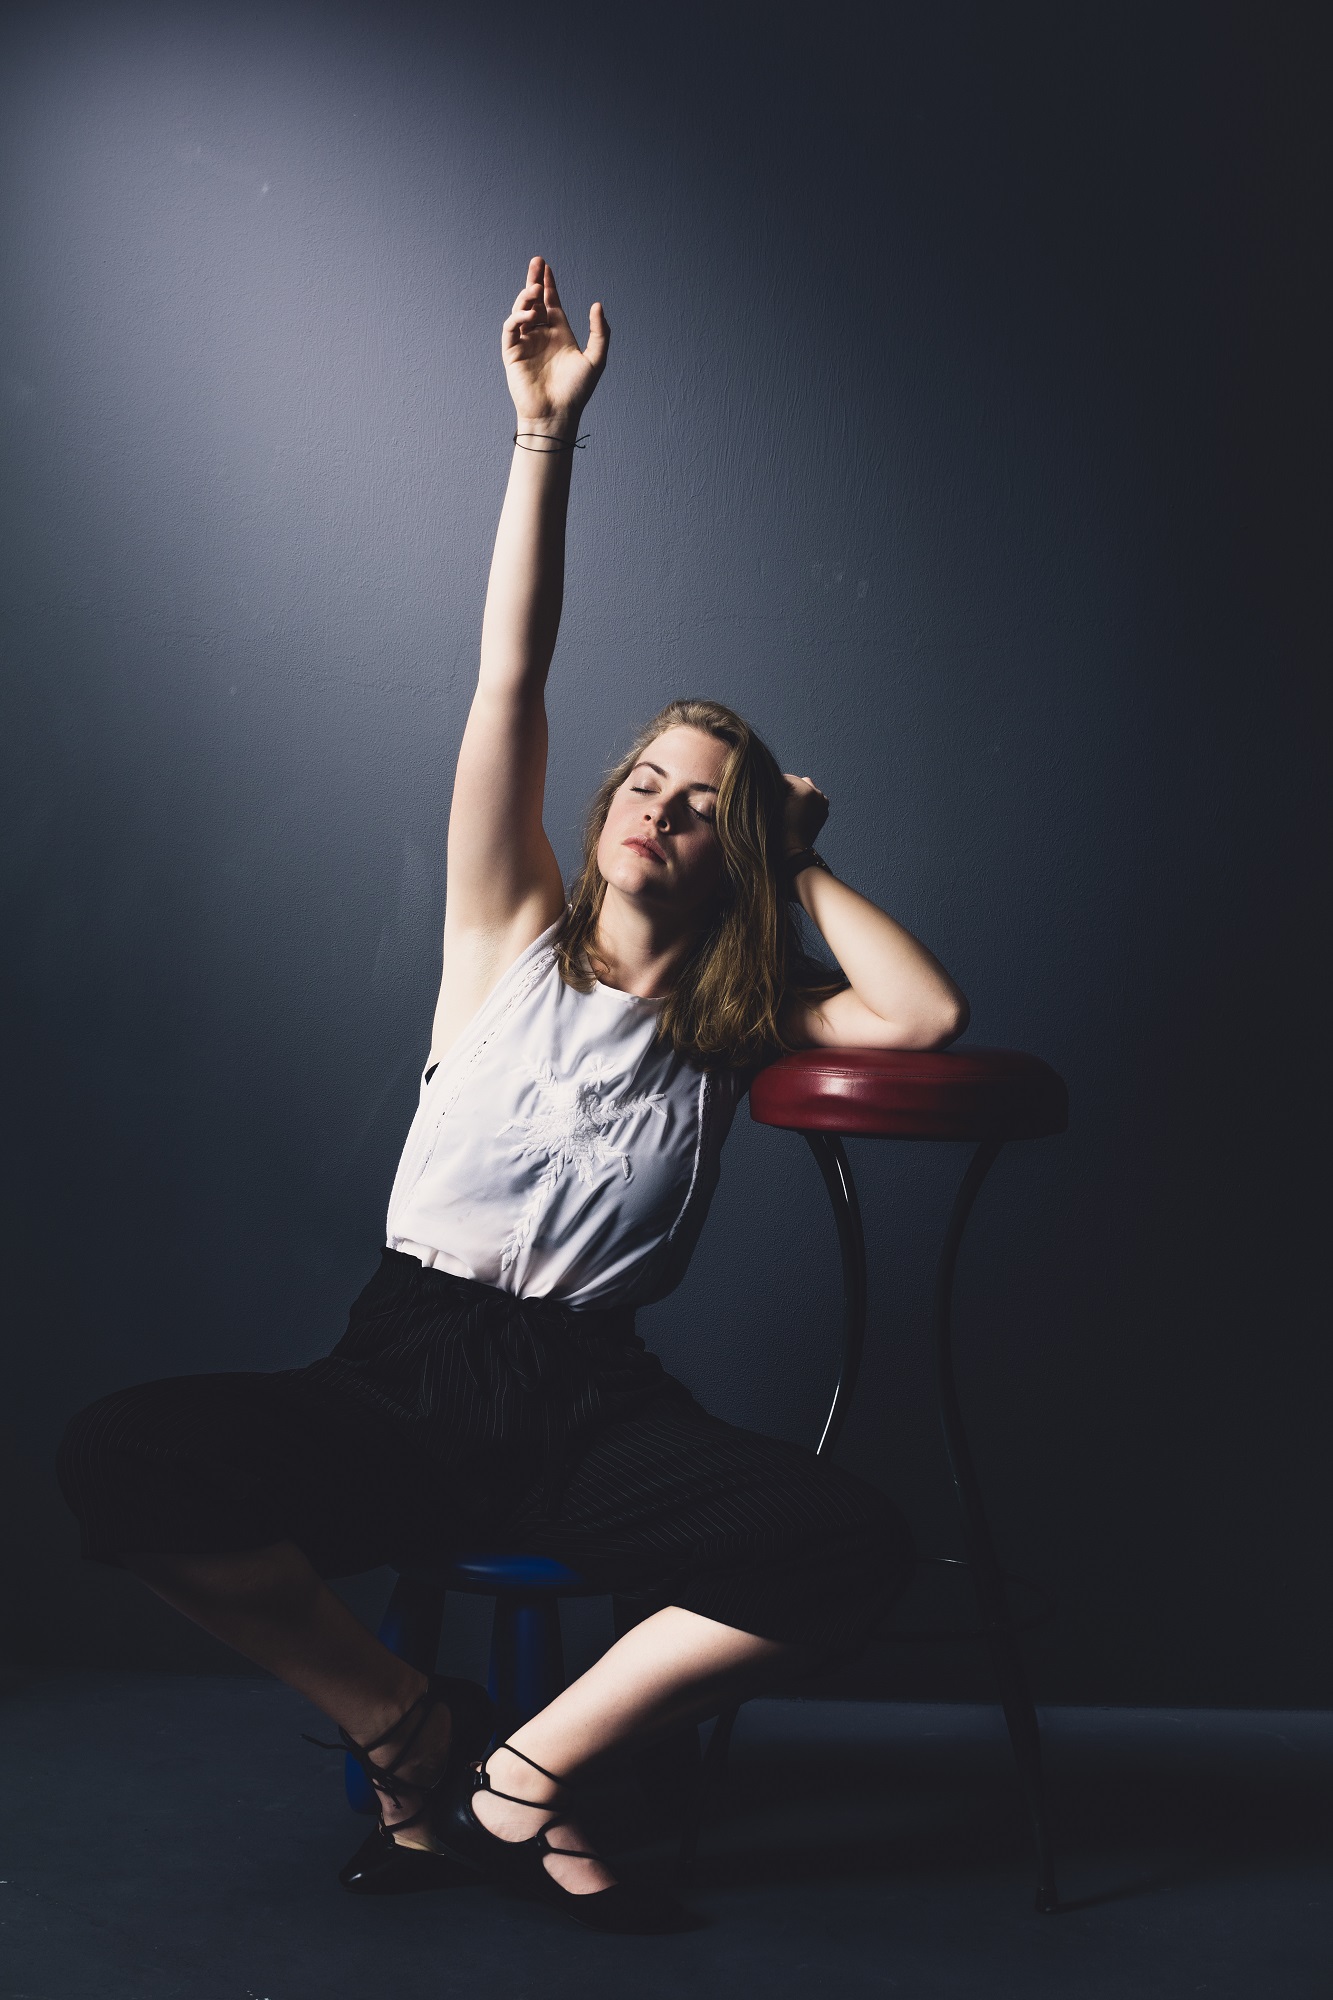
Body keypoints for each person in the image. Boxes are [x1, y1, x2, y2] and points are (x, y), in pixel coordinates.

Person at [57, 257, 969, 1935]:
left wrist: (795, 853)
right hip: (399, 1372)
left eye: (701, 807)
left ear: (731, 847)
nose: (657, 812)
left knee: (849, 1542)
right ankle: (407, 1724)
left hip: (587, 1407)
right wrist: (543, 437)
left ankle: (526, 1772)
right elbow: (510, 684)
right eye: (646, 782)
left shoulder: (736, 1022)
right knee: (119, 1461)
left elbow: (923, 1014)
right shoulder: (502, 937)